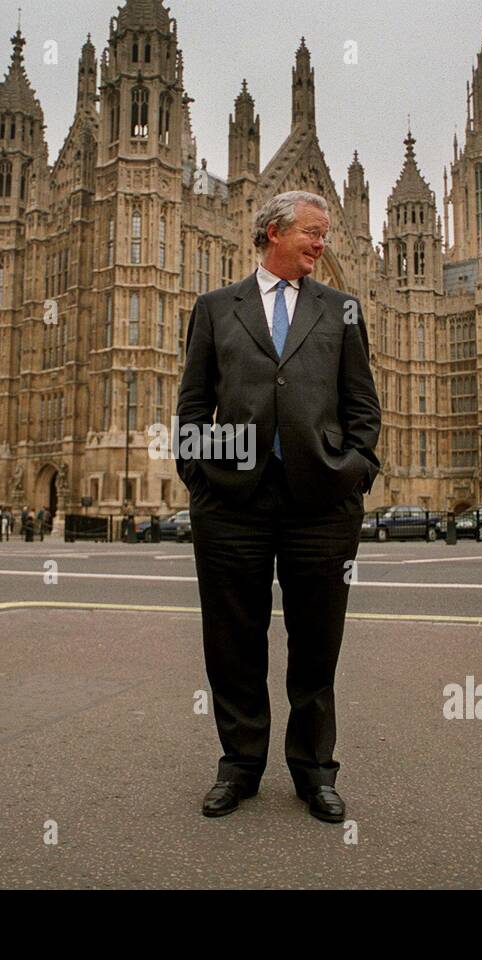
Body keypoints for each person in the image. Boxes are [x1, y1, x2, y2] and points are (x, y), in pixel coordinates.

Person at [178, 190, 381, 823]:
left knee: (316, 645)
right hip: (232, 504)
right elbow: (191, 409)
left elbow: (362, 408)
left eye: (324, 234)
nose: (323, 244)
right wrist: (203, 480)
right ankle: (239, 765)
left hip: (320, 504)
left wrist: (354, 473)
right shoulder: (215, 309)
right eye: (312, 234)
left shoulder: (342, 311)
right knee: (233, 642)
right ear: (273, 233)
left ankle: (315, 770)